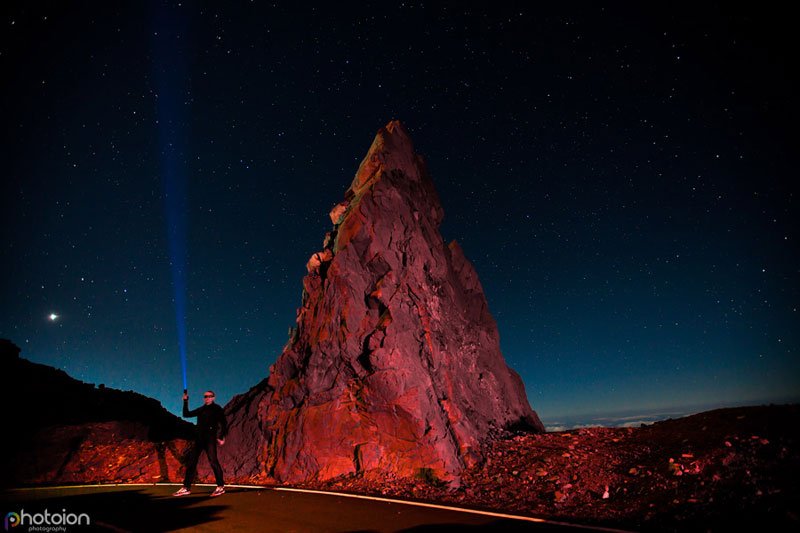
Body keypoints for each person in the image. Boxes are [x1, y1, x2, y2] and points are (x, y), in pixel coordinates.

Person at [173, 390, 228, 497]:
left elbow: (224, 423)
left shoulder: (217, 409)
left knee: (213, 461)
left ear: (213, 397)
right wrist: (185, 402)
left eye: (209, 396)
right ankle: (186, 488)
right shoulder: (201, 409)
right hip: (199, 439)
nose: (207, 398)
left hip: (210, 439)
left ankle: (220, 486)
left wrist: (221, 436)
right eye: (205, 396)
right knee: (192, 462)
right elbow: (186, 414)